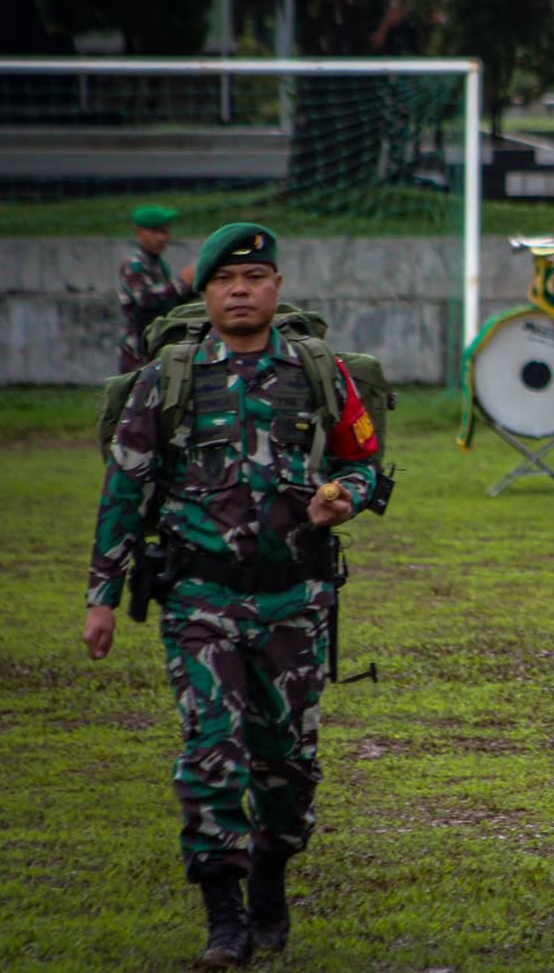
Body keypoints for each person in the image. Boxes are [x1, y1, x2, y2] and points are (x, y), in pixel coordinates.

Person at [85, 223, 381, 969]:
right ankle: (223, 913)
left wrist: (346, 492)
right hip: (200, 601)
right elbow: (125, 488)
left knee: (288, 766)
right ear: (205, 292)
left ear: (277, 287)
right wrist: (102, 594)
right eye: (224, 282)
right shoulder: (170, 380)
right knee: (212, 754)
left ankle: (272, 875)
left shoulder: (319, 374)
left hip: (295, 602)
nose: (239, 291)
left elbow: (368, 461)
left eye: (253, 279)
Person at [118, 205, 196, 372]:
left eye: (165, 232)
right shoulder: (134, 265)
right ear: (139, 233)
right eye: (155, 232)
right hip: (138, 344)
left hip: (156, 338)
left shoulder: (159, 265)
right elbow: (145, 298)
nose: (161, 238)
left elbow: (169, 302)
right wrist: (181, 284)